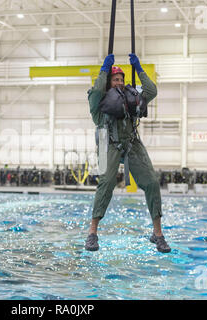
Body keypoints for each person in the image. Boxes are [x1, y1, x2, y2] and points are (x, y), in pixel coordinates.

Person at [85, 53, 171, 253]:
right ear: (108, 83)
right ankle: (92, 232)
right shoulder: (98, 101)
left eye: (122, 79)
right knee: (106, 182)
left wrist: (139, 68)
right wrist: (104, 70)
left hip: (132, 142)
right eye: (115, 80)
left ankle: (157, 234)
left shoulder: (131, 98)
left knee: (151, 182)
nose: (119, 83)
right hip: (109, 143)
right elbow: (98, 88)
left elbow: (151, 90)